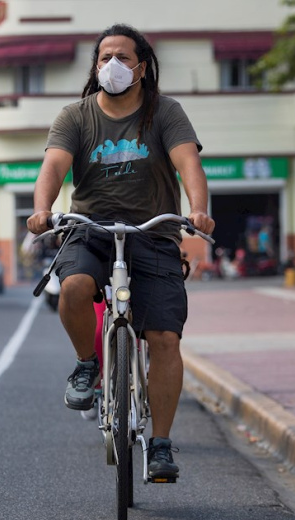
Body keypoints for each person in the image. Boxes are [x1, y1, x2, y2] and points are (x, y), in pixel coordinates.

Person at [26, 23, 215, 482]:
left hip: (153, 233)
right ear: (95, 66)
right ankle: (86, 365)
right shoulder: (75, 116)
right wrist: (41, 210)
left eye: (123, 57)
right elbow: (53, 165)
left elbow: (188, 161)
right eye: (105, 57)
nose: (113, 65)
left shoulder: (165, 112)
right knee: (73, 286)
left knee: (165, 339)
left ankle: (161, 444)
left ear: (142, 67)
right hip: (90, 229)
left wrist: (199, 210)